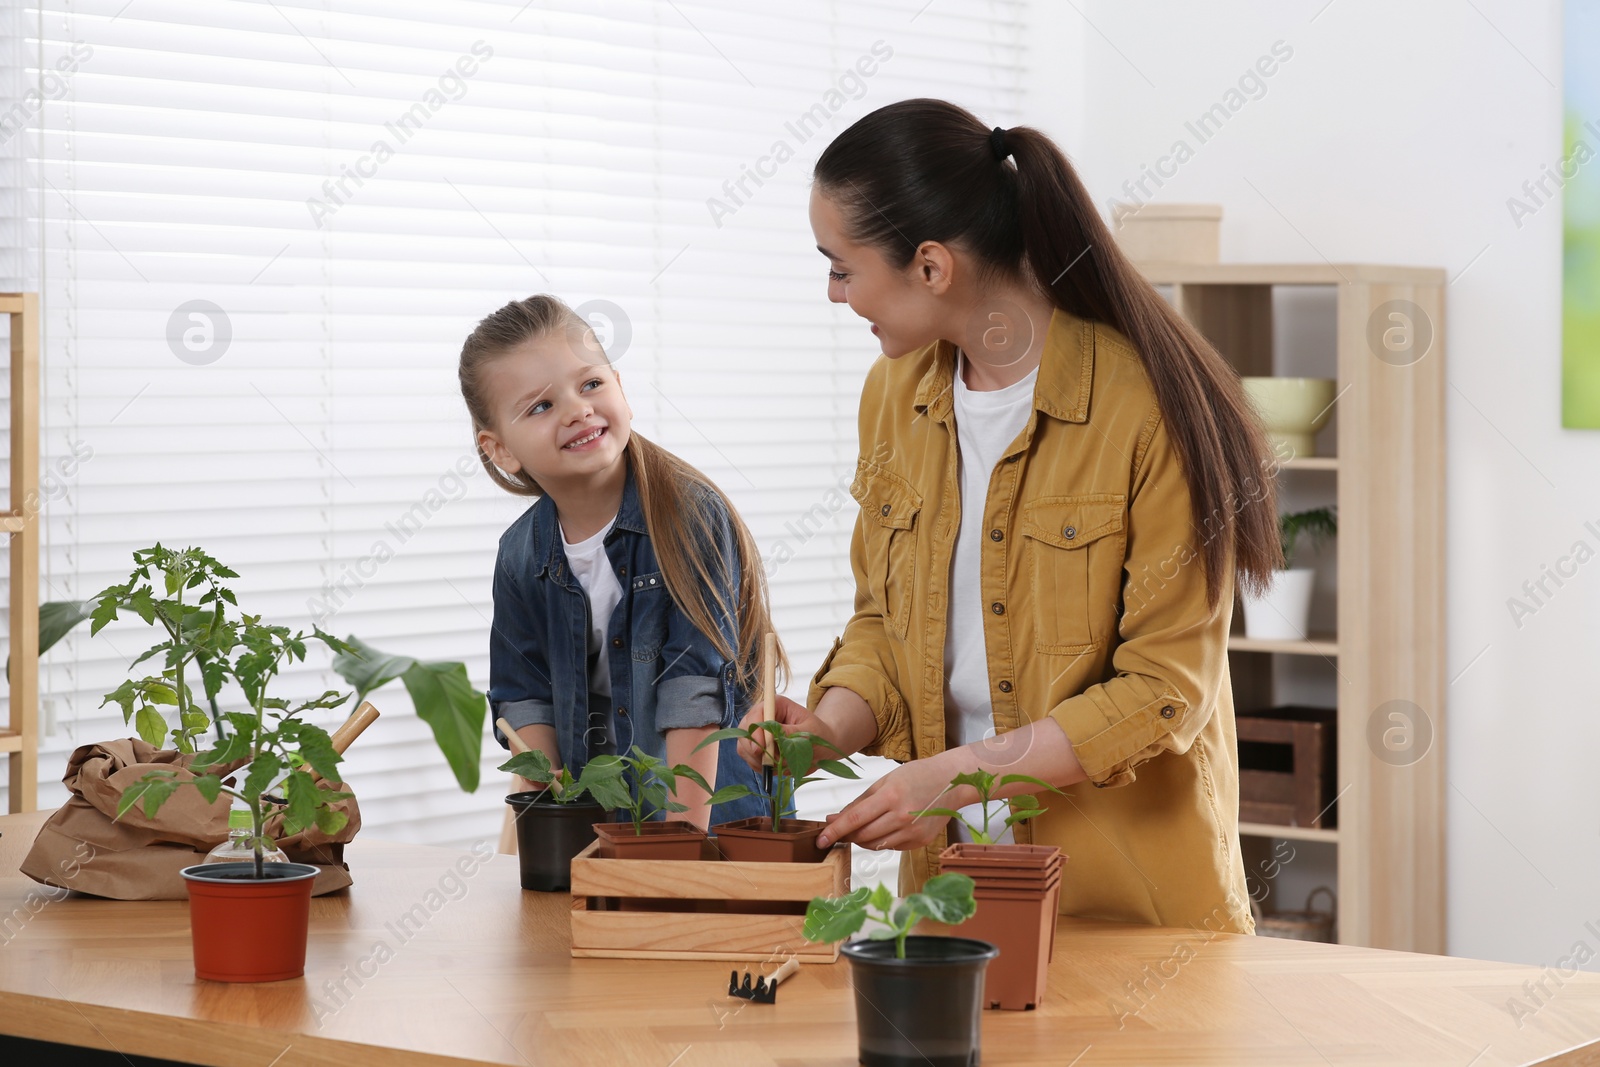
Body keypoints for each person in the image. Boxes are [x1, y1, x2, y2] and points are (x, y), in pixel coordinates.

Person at [738, 100, 1282, 932]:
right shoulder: (895, 393)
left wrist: (960, 775)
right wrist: (829, 723)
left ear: (930, 266)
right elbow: (889, 620)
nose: (833, 292)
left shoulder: (1145, 406)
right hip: (950, 902)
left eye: (842, 267)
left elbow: (1164, 690)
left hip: (1129, 910)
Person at [462, 295, 781, 829]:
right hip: (604, 821)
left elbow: (693, 698)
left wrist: (680, 846)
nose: (577, 409)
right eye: (541, 406)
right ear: (500, 450)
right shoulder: (520, 554)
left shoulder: (689, 517)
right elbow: (525, 700)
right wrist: (553, 824)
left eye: (590, 385)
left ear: (621, 390)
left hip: (715, 820)